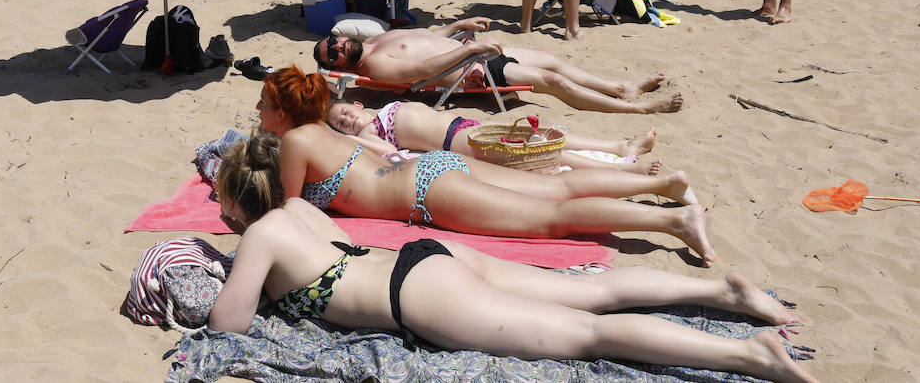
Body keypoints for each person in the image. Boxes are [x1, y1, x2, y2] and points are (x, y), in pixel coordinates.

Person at [207, 134, 817, 382]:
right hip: (429, 256)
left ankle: (749, 356)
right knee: (589, 292)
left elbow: (227, 326)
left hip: (417, 298)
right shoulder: (304, 213)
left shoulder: (260, 238)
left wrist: (235, 267)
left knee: (588, 336)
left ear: (238, 202)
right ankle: (722, 295)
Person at [257, 67, 713, 259]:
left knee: (550, 219)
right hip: (429, 168)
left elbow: (292, 211)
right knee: (557, 188)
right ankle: (664, 186)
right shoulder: (322, 130)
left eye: (263, 105)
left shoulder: (297, 141)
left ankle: (673, 223)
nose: (259, 113)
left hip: (424, 192)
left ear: (281, 110)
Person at [312, 18, 681, 114]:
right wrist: (468, 52)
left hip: (473, 52)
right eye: (334, 54)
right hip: (472, 71)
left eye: (334, 41)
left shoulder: (376, 40)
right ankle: (637, 107)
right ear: (340, 64)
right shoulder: (375, 64)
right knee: (549, 79)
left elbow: (427, 35)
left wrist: (458, 28)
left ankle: (621, 88)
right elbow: (421, 73)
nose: (338, 46)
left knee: (553, 59)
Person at [325, 98, 661, 174]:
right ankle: (623, 169)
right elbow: (387, 152)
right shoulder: (370, 131)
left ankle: (618, 146)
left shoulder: (381, 108)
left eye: (345, 112)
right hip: (450, 141)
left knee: (540, 134)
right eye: (341, 124)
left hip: (459, 124)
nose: (347, 120)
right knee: (535, 152)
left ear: (356, 103)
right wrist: (353, 138)